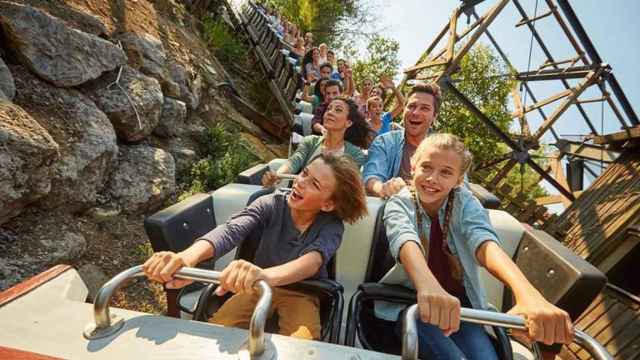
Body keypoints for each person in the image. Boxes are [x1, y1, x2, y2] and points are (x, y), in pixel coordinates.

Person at [379, 133, 574, 359]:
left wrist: (528, 294)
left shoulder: (465, 202)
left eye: (446, 172)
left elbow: (483, 242)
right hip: (410, 304)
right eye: (427, 167)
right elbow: (405, 239)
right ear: (413, 166)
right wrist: (429, 287)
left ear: (459, 180)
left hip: (462, 310)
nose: (433, 178)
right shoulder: (400, 202)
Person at [144, 154, 368, 341]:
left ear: (328, 204)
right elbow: (230, 230)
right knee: (217, 332)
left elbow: (313, 261)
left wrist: (263, 274)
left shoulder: (332, 226)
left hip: (304, 291)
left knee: (302, 347)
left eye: (314, 184)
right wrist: (187, 257)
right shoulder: (269, 203)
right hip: (257, 287)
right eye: (304, 173)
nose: (300, 182)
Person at [263, 97, 373, 187]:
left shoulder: (355, 155)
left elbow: (346, 183)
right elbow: (294, 161)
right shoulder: (310, 141)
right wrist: (278, 175)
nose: (330, 112)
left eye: (338, 110)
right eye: (329, 109)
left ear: (348, 123)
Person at [363, 82, 441, 198]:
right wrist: (382, 188)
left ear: (434, 116)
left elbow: (460, 189)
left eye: (424, 108)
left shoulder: (445, 150)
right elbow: (371, 176)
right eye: (411, 106)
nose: (415, 113)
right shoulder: (384, 142)